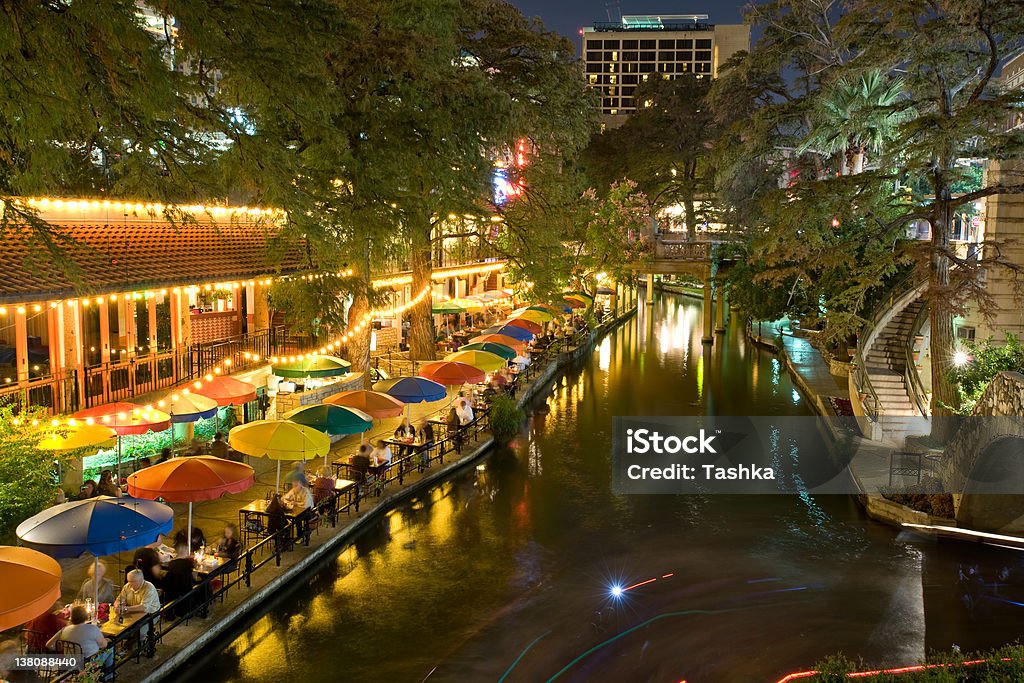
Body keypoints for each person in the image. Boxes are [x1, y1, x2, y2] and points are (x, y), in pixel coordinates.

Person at [113, 570, 161, 635]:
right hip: (133, 613)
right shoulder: (127, 586)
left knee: (139, 632)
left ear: (141, 580)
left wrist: (125, 608)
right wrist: (117, 606)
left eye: (133, 581)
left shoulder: (149, 588)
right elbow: (119, 599)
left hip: (150, 615)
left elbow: (143, 607)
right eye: (129, 581)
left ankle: (140, 642)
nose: (130, 583)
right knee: (116, 627)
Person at [162, 543, 198, 617]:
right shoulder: (188, 563)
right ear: (185, 552)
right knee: (202, 584)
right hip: (186, 589)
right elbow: (194, 577)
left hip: (173, 589)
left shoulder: (171, 563)